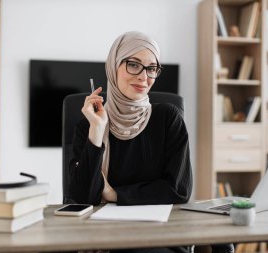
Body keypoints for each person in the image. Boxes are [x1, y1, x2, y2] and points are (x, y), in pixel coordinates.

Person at [67, 31, 233, 253]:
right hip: (104, 236)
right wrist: (97, 130)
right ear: (113, 66)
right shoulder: (88, 126)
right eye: (133, 64)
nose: (144, 76)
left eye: (152, 68)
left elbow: (178, 189)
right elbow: (82, 198)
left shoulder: (168, 118)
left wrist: (114, 194)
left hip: (160, 237)